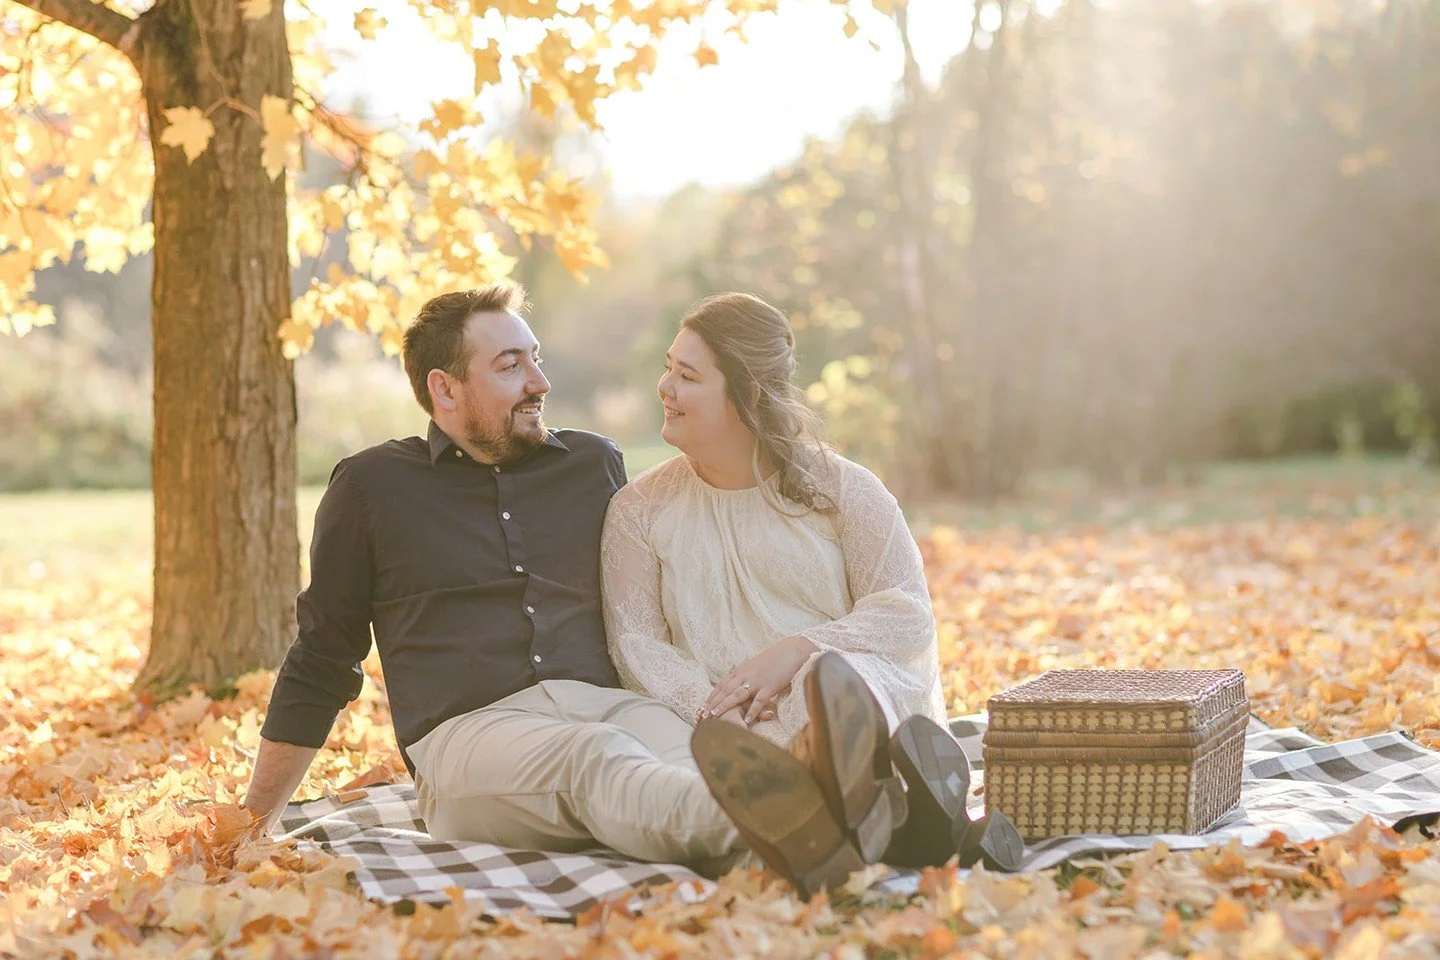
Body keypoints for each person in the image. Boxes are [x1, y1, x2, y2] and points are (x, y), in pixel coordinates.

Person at [239, 281, 901, 893]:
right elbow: (324, 658)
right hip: (471, 739)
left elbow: (662, 594)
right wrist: (251, 826)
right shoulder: (373, 488)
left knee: (701, 756)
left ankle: (818, 832)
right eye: (510, 367)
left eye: (536, 358)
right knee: (596, 758)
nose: (540, 381)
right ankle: (802, 813)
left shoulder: (592, 466)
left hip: (611, 706)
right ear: (444, 390)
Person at [601, 292, 1022, 872]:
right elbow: (637, 644)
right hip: (729, 730)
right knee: (772, 746)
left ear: (746, 394)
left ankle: (868, 802)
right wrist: (712, 709)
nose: (665, 387)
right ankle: (908, 820)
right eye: (669, 368)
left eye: (687, 375)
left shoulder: (843, 488)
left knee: (826, 686)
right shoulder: (639, 510)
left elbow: (906, 612)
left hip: (848, 699)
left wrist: (800, 650)